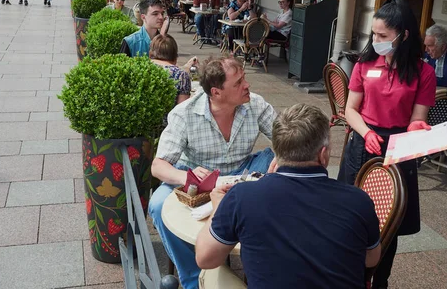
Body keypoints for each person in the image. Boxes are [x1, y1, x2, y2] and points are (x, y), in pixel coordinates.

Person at [196, 103, 382, 289]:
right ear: (323, 155)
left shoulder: (242, 197)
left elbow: (205, 259)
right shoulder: (358, 200)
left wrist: (218, 207)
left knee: (211, 275)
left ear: (276, 154)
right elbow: (371, 259)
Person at [148, 56, 276, 289]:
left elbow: (285, 137)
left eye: (244, 78)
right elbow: (159, 166)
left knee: (273, 161)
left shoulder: (254, 104)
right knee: (157, 205)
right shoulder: (184, 114)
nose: (247, 85)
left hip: (242, 174)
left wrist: (282, 155)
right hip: (199, 181)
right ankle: (194, 278)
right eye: (238, 83)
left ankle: (266, 268)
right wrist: (188, 178)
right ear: (216, 92)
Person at [338, 0, 436, 289]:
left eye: (383, 35)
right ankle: (345, 275)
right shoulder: (365, 64)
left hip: (398, 147)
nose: (376, 40)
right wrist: (366, 132)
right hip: (363, 142)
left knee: (388, 223)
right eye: (374, 34)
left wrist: (418, 129)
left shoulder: (423, 72)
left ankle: (380, 280)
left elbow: (416, 118)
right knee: (350, 215)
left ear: (403, 35)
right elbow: (350, 110)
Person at [149, 34, 192, 105]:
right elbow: (182, 109)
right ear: (174, 53)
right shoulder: (181, 75)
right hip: (170, 115)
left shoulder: (141, 68)